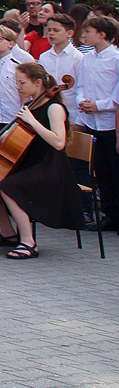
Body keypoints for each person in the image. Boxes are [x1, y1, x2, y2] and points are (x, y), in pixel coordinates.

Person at [0, 60, 76, 259]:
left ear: (39, 82)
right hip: (31, 162)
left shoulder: (54, 108)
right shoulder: (30, 104)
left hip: (50, 166)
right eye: (17, 82)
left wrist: (33, 121)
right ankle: (8, 232)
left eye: (22, 83)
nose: (18, 87)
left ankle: (29, 242)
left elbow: (59, 143)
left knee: (9, 186)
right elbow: (13, 134)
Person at [73, 14, 119, 232]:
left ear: (102, 35)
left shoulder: (116, 58)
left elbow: (116, 94)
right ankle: (110, 214)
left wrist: (99, 105)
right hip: (93, 122)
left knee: (116, 170)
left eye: (88, 32)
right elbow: (80, 86)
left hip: (110, 122)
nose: (84, 35)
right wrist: (82, 102)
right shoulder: (88, 58)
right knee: (101, 171)